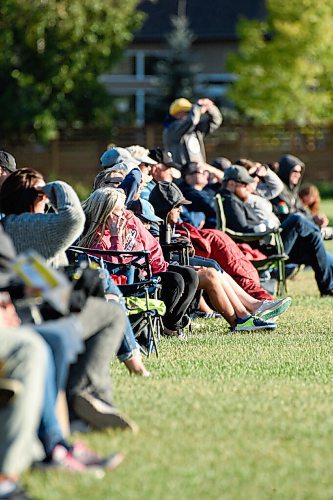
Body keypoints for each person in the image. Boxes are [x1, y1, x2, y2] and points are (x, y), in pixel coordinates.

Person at [0, 168, 137, 430]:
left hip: (36, 305)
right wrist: (54, 186)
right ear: (34, 197)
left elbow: (34, 277)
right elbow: (75, 218)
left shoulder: (9, 226)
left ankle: (91, 400)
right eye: (41, 196)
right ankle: (86, 398)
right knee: (109, 312)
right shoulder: (29, 225)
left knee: (101, 302)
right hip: (33, 315)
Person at [79, 187, 286, 332]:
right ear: (105, 214)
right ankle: (242, 317)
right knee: (208, 274)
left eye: (123, 210)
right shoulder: (99, 240)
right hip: (142, 277)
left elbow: (148, 243)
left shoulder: (129, 220)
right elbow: (119, 267)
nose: (123, 216)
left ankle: (249, 310)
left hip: (159, 265)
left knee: (211, 270)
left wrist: (127, 226)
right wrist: (116, 235)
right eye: (117, 213)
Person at [149, 181, 275, 303]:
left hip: (177, 258)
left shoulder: (171, 225)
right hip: (165, 265)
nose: (181, 210)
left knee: (216, 262)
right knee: (212, 266)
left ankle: (253, 303)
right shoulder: (154, 226)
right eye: (177, 206)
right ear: (166, 207)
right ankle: (251, 305)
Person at [220, 165, 333, 296]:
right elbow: (243, 230)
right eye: (244, 184)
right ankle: (321, 231)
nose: (247, 187)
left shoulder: (235, 199)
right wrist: (264, 227)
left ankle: (327, 289)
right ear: (232, 183)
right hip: (264, 247)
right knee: (297, 219)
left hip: (269, 242)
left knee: (313, 240)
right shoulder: (229, 201)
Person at [163, 97, 223, 168]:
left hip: (199, 172)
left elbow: (216, 121)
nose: (190, 114)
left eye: (190, 112)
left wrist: (210, 107)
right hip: (180, 174)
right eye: (187, 112)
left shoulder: (195, 130)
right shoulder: (171, 130)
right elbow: (191, 121)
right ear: (177, 114)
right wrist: (197, 106)